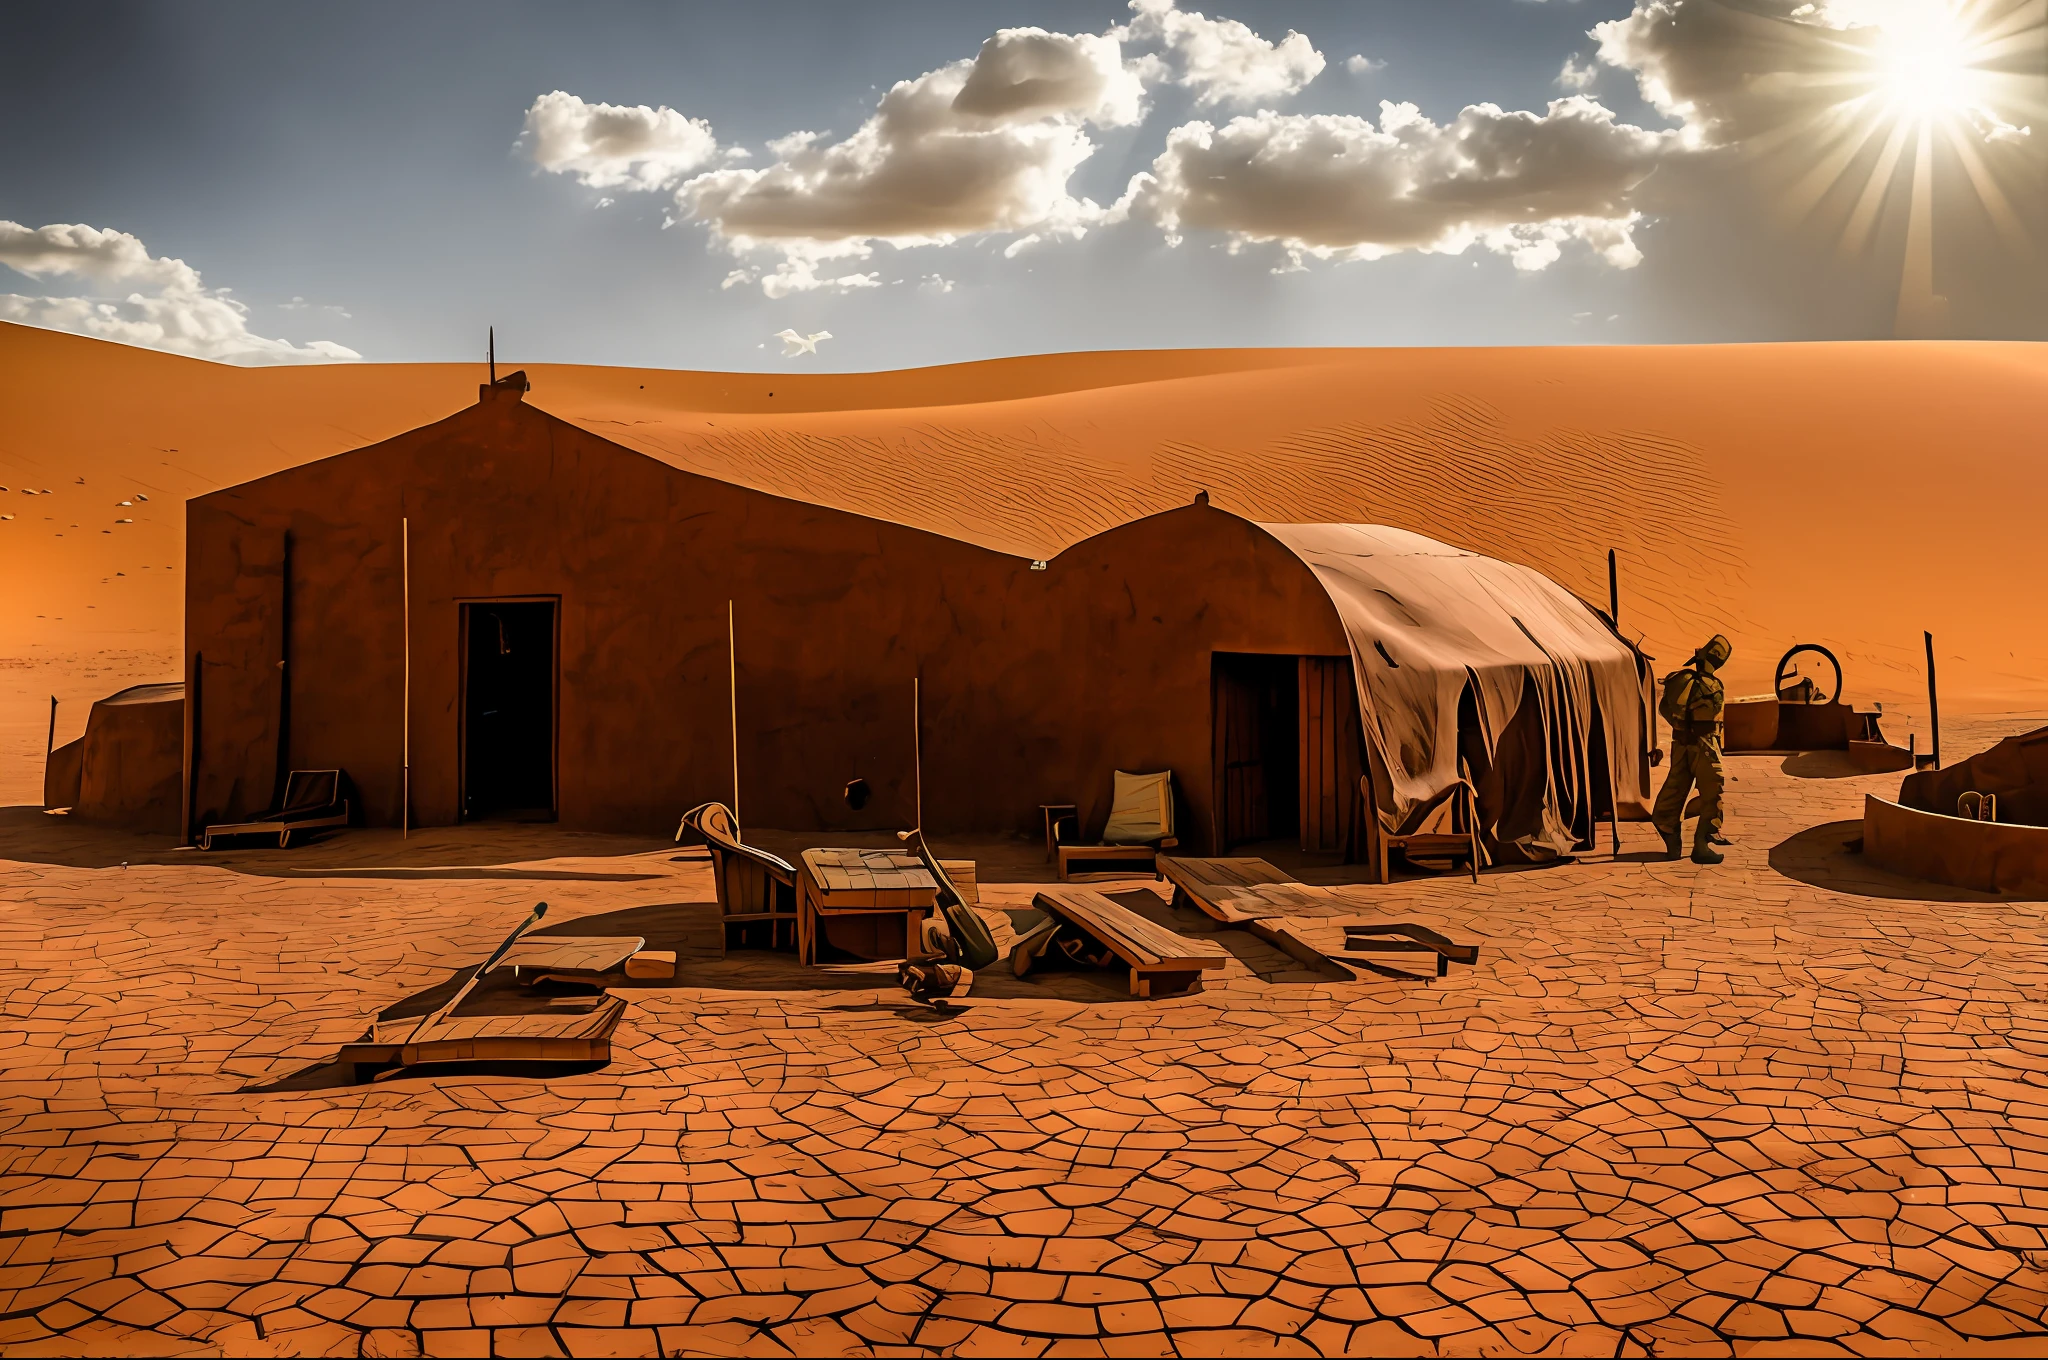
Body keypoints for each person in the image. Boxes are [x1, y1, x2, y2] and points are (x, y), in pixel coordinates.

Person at [1654, 634, 1731, 864]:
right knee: (1712, 789)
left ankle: (1675, 831)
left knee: (1678, 786)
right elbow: (1667, 708)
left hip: (1686, 743)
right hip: (1701, 744)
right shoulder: (1694, 682)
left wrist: (1681, 727)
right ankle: (1700, 844)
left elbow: (1665, 708)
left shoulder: (1684, 680)